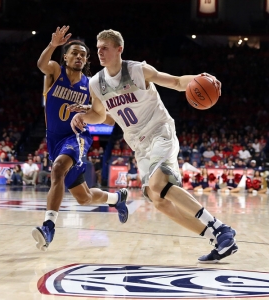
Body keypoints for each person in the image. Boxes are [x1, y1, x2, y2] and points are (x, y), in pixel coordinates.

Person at [70, 29, 237, 263]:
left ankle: (220, 228)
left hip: (160, 131)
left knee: (159, 184)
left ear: (119, 49)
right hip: (139, 145)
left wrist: (203, 78)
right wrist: (83, 116)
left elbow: (178, 83)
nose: (100, 52)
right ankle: (216, 238)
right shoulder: (96, 83)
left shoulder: (138, 70)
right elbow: (100, 115)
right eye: (98, 48)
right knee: (157, 200)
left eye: (105, 47)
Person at [32, 25, 128, 252]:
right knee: (83, 198)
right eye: (74, 52)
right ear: (65, 56)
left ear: (86, 61)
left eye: (83, 55)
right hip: (54, 139)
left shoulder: (92, 85)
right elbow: (41, 65)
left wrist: (87, 108)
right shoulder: (55, 71)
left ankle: (48, 227)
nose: (79, 57)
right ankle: (116, 199)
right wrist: (52, 45)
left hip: (76, 137)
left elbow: (109, 120)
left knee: (57, 169)